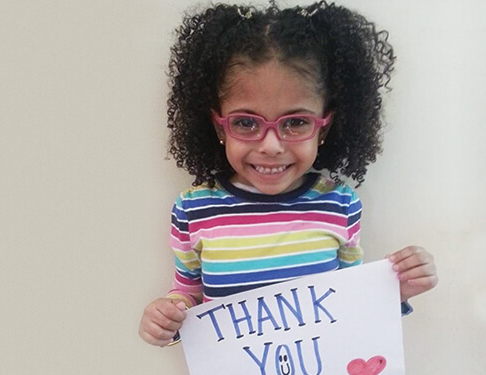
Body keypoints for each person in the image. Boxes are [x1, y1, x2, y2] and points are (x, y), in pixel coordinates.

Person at [139, 1, 438, 347]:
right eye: (245, 122)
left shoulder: (339, 205)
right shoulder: (194, 210)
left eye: (296, 122)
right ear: (218, 125)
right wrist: (166, 316)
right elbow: (187, 295)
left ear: (324, 127)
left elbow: (348, 302)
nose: (270, 145)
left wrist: (395, 291)